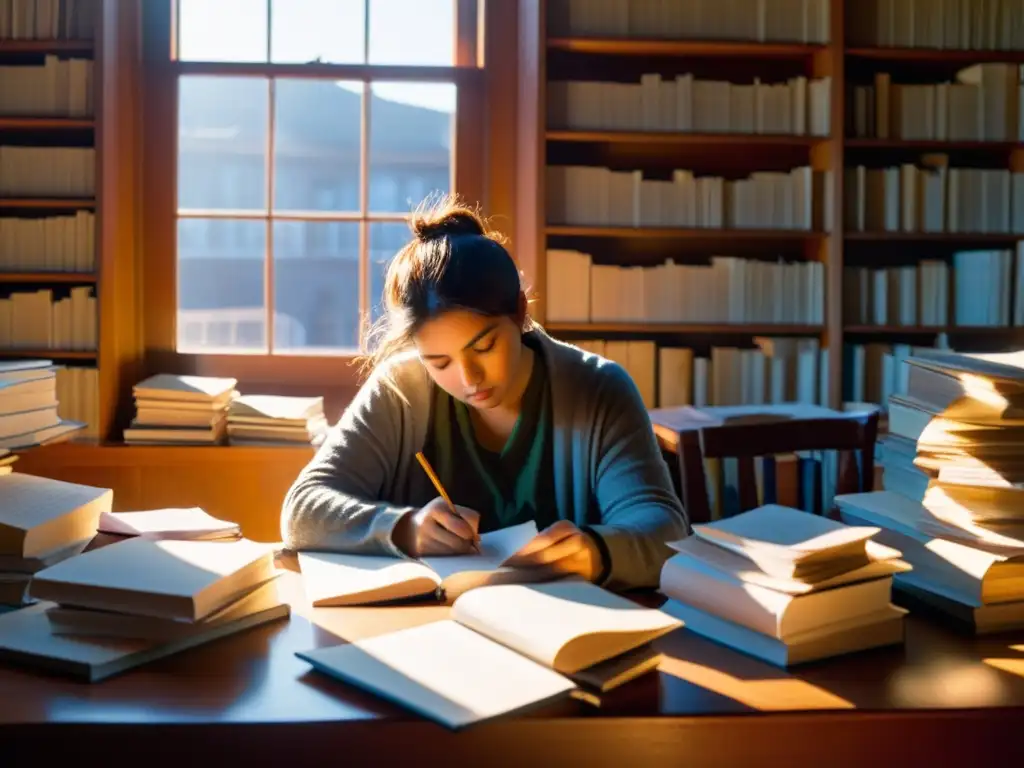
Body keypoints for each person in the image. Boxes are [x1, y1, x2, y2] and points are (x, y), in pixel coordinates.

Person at [280, 197, 688, 591]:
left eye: (484, 347)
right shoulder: (400, 388)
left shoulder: (598, 388)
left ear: (519, 312)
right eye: (439, 362)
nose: (468, 377)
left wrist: (598, 552)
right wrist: (403, 529)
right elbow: (303, 510)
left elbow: (664, 528)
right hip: (425, 632)